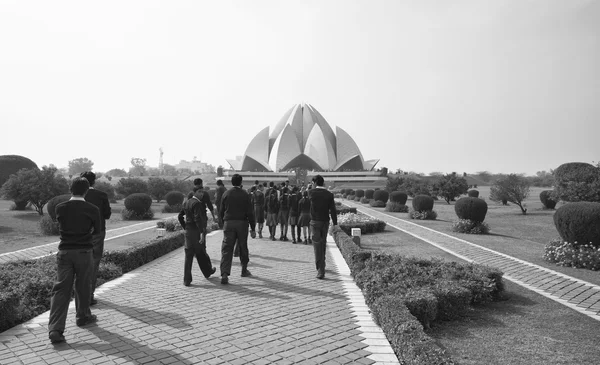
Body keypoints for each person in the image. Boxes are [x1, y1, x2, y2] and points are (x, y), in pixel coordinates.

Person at [48, 177, 101, 344]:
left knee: (61, 289)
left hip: (64, 251)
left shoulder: (60, 208)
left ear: (70, 189)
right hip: (84, 251)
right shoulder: (92, 209)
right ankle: (83, 316)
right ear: (86, 191)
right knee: (83, 285)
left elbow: (59, 224)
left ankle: (55, 329)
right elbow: (97, 230)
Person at [80, 171, 111, 306]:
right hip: (98, 232)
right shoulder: (101, 195)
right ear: (94, 181)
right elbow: (107, 215)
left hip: (81, 232)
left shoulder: (78, 196)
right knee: (94, 263)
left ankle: (80, 296)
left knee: (80, 263)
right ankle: (89, 296)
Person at [219, 174, 256, 284]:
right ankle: (244, 270)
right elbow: (250, 212)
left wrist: (223, 223)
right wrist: (253, 228)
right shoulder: (245, 194)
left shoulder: (226, 193)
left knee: (227, 248)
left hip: (228, 223)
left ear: (231, 182)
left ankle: (225, 273)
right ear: (241, 182)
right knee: (242, 246)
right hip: (242, 223)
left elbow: (221, 211)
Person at [178, 191, 217, 286]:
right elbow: (197, 218)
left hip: (188, 231)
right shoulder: (197, 203)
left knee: (189, 254)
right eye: (202, 197)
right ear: (199, 195)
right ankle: (207, 271)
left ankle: (187, 280)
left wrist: (185, 226)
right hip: (196, 231)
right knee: (201, 252)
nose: (202, 199)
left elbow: (180, 216)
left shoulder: (186, 202)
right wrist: (201, 232)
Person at [308, 175, 337, 279]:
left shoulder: (311, 192)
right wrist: (335, 223)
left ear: (315, 183)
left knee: (317, 246)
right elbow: (333, 210)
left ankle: (320, 270)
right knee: (323, 244)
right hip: (325, 222)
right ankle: (322, 265)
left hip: (315, 222)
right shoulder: (329, 194)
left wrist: (311, 187)